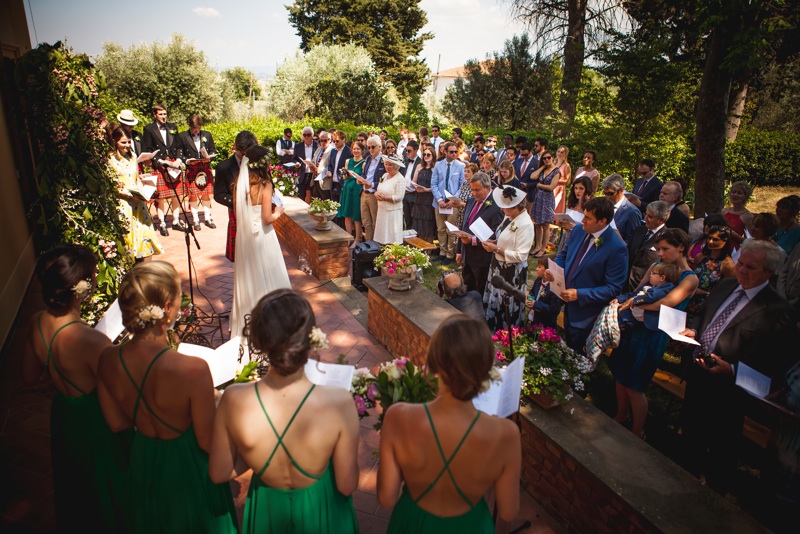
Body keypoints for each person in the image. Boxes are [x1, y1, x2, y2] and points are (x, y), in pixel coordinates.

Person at [96, 261, 237, 532]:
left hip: (143, 460)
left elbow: (116, 423)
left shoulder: (107, 359)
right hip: (187, 467)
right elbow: (207, 441)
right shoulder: (192, 370)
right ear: (167, 308)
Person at [209, 290, 359, 533]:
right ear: (311, 338)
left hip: (267, 509)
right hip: (322, 510)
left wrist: (256, 451)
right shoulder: (339, 401)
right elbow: (346, 484)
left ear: (259, 339)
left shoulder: (234, 398)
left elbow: (219, 473)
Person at [378, 315, 521, 531]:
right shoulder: (506, 434)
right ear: (485, 371)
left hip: (412, 522)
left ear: (435, 362)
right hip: (471, 525)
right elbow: (508, 511)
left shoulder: (398, 416)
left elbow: (387, 498)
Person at [23, 246, 130, 532]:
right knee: (107, 484)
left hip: (64, 415)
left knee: (74, 482)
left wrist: (59, 369)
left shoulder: (36, 323)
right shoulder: (90, 341)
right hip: (94, 419)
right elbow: (123, 391)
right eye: (93, 277)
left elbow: (29, 377)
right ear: (80, 287)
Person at [679, 240, 797, 492]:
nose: (741, 270)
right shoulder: (726, 285)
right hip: (698, 376)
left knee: (722, 449)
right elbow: (707, 315)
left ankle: (713, 500)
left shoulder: (778, 310)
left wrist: (731, 370)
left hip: (730, 393)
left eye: (750, 267)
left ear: (769, 272)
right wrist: (695, 329)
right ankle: (682, 483)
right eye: (740, 262)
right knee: (690, 436)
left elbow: (776, 364)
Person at [608, 229, 699, 439]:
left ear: (681, 248)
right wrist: (624, 299)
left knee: (635, 385)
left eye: (665, 249)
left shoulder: (689, 278)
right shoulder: (655, 267)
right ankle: (621, 415)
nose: (660, 254)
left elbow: (667, 302)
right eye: (658, 249)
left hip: (654, 335)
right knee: (620, 375)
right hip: (633, 327)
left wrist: (636, 303)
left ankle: (638, 431)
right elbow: (638, 290)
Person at [544, 197, 628, 353]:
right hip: (562, 299)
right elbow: (564, 254)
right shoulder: (578, 230)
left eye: (588, 218)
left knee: (578, 351)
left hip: (585, 313)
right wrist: (554, 270)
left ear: (602, 221)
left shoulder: (617, 248)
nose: (583, 220)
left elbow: (613, 288)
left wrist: (579, 294)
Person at [229, 145, 291, 339]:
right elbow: (266, 218)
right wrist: (278, 212)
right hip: (263, 235)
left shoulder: (241, 183)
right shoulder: (265, 184)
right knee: (270, 276)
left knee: (250, 276)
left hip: (246, 236)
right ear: (263, 163)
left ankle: (248, 319)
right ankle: (273, 324)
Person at [107, 124, 163, 262]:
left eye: (128, 142)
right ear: (115, 142)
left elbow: (135, 177)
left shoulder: (133, 156)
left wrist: (142, 184)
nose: (126, 145)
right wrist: (127, 193)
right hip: (123, 205)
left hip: (139, 203)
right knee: (128, 242)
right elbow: (111, 185)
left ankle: (146, 275)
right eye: (123, 142)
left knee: (146, 239)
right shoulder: (110, 159)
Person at [482, 185, 534, 330]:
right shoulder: (509, 216)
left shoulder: (526, 224)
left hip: (511, 271)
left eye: (505, 207)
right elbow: (503, 235)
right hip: (498, 266)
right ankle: (492, 326)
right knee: (495, 297)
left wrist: (496, 248)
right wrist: (494, 242)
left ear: (516, 207)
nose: (502, 209)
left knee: (507, 301)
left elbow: (521, 255)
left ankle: (505, 331)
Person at [455, 172, 504, 296]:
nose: (474, 193)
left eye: (477, 190)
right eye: (472, 190)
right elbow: (464, 227)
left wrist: (472, 240)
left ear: (487, 188)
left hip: (482, 258)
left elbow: (496, 236)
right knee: (467, 286)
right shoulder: (471, 201)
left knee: (479, 290)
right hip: (467, 255)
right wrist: (459, 251)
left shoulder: (496, 207)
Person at [214, 130, 258, 262]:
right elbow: (219, 195)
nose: (246, 157)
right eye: (243, 153)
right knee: (240, 258)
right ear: (236, 147)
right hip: (237, 215)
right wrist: (238, 201)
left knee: (257, 256)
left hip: (256, 215)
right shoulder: (223, 167)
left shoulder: (257, 163)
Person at [141, 104, 184, 235]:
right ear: (155, 115)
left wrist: (178, 159)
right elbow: (147, 149)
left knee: (176, 195)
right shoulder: (148, 129)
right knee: (160, 197)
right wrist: (160, 161)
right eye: (160, 114)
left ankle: (176, 221)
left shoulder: (173, 127)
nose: (163, 117)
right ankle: (162, 223)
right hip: (159, 166)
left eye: (165, 114)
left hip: (173, 165)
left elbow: (178, 146)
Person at [686, 225, 737, 318]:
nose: (710, 242)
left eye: (715, 239)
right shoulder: (700, 257)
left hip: (707, 308)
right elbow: (690, 276)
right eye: (709, 238)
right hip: (688, 301)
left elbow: (728, 292)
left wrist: (704, 293)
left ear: (725, 242)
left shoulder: (728, 265)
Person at [178, 114, 217, 230]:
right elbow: (180, 154)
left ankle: (207, 218)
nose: (196, 131)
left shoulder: (207, 135)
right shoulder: (183, 136)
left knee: (206, 194)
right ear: (189, 126)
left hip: (205, 167)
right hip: (192, 169)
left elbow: (213, 150)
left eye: (198, 128)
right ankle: (195, 220)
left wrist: (209, 158)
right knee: (193, 195)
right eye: (194, 129)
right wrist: (188, 161)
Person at [616, 263, 681, 330]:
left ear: (662, 278)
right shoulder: (653, 286)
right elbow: (635, 293)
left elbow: (650, 296)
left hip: (645, 317)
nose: (650, 275)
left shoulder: (664, 289)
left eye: (653, 273)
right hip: (634, 314)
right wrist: (620, 299)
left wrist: (635, 300)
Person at [431, 142, 466, 264]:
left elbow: (462, 185)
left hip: (453, 203)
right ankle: (442, 251)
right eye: (451, 152)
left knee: (451, 230)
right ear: (445, 152)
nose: (454, 154)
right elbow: (434, 183)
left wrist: (453, 199)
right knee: (440, 229)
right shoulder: (438, 165)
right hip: (439, 202)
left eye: (456, 151)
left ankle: (450, 254)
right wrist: (440, 199)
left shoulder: (460, 166)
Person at [626, 200, 670, 291]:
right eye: (645, 214)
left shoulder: (667, 238)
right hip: (625, 282)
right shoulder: (639, 230)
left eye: (650, 216)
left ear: (661, 220)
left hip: (645, 287)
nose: (645, 218)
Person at [529, 150, 561, 257]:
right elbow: (533, 176)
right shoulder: (543, 170)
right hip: (538, 198)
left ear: (552, 157)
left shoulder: (556, 171)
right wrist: (542, 167)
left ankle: (543, 248)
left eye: (548, 157)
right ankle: (537, 246)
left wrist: (539, 185)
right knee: (537, 223)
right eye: (544, 158)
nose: (547, 160)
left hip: (547, 199)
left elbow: (552, 186)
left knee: (546, 224)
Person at [553, 174, 595, 253]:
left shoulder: (591, 206)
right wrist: (561, 221)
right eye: (575, 188)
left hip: (581, 239)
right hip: (567, 236)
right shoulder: (571, 203)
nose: (577, 191)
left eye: (581, 188)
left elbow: (592, 228)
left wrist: (574, 226)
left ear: (587, 189)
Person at [337, 140, 365, 249]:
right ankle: (349, 238)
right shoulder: (348, 161)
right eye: (354, 149)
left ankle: (358, 239)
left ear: (362, 150)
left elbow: (363, 178)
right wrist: (344, 173)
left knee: (356, 216)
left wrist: (355, 175)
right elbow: (345, 178)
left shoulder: (364, 163)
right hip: (347, 189)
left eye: (358, 149)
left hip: (356, 191)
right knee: (347, 214)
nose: (356, 151)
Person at [373, 154, 407, 245]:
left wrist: (384, 198)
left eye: (390, 165)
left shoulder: (400, 179)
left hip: (393, 213)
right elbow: (378, 188)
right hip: (382, 210)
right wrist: (376, 194)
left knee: (392, 238)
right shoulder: (384, 176)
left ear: (396, 166)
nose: (387, 167)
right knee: (382, 237)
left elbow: (399, 197)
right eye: (386, 164)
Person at [357, 135, 386, 242]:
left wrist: (372, 184)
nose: (370, 150)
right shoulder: (368, 158)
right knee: (366, 222)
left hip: (374, 194)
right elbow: (365, 174)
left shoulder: (384, 160)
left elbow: (386, 180)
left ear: (379, 147)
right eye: (368, 147)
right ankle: (368, 246)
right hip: (364, 193)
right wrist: (361, 179)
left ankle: (376, 247)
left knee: (376, 222)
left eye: (373, 147)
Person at [602, 174, 643, 246]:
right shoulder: (605, 207)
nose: (607, 197)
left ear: (621, 191)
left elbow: (632, 241)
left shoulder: (632, 212)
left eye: (610, 194)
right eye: (605, 193)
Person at [525, 254, 561, 329]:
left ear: (548, 270)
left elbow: (554, 310)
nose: (536, 269)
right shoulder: (538, 280)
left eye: (540, 267)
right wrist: (530, 298)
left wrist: (536, 304)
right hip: (534, 318)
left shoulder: (554, 289)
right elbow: (532, 291)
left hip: (545, 325)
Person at [411, 146, 437, 243]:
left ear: (433, 155)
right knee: (419, 223)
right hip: (419, 197)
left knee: (428, 223)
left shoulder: (435, 168)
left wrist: (426, 190)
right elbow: (413, 181)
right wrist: (416, 187)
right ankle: (420, 246)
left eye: (428, 154)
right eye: (424, 154)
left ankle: (429, 248)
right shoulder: (419, 166)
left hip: (429, 198)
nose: (426, 156)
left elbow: (437, 185)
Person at [721, 180, 754, 246]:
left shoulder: (747, 216)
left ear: (745, 196)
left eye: (739, 193)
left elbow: (749, 241)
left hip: (733, 249)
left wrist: (734, 235)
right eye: (733, 192)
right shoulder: (724, 211)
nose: (735, 195)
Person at [326, 129, 352, 204]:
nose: (335, 143)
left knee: (341, 208)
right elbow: (330, 165)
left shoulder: (349, 152)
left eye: (337, 141)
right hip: (333, 183)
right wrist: (329, 171)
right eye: (333, 141)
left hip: (342, 183)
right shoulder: (333, 151)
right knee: (333, 207)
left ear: (344, 139)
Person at [402, 140, 422, 231]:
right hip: (404, 193)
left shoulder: (420, 162)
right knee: (406, 219)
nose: (407, 152)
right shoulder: (405, 161)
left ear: (416, 150)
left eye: (409, 151)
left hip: (414, 194)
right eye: (406, 150)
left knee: (414, 219)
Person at [295, 126, 319, 203]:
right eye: (304, 135)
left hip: (313, 174)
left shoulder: (317, 145)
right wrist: (297, 163)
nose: (306, 137)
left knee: (313, 196)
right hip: (302, 173)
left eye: (308, 135)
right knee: (301, 195)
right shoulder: (298, 146)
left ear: (312, 135)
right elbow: (294, 158)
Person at [451, 163, 478, 229]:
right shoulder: (464, 184)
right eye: (465, 171)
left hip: (469, 215)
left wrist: (462, 204)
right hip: (460, 215)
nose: (465, 173)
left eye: (468, 171)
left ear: (474, 173)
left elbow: (475, 204)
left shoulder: (475, 186)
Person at [553, 145, 572, 214]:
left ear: (565, 154)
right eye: (558, 151)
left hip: (559, 188)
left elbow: (568, 181)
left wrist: (556, 180)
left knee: (557, 207)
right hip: (551, 187)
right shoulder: (553, 163)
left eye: (562, 152)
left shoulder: (566, 165)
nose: (559, 154)